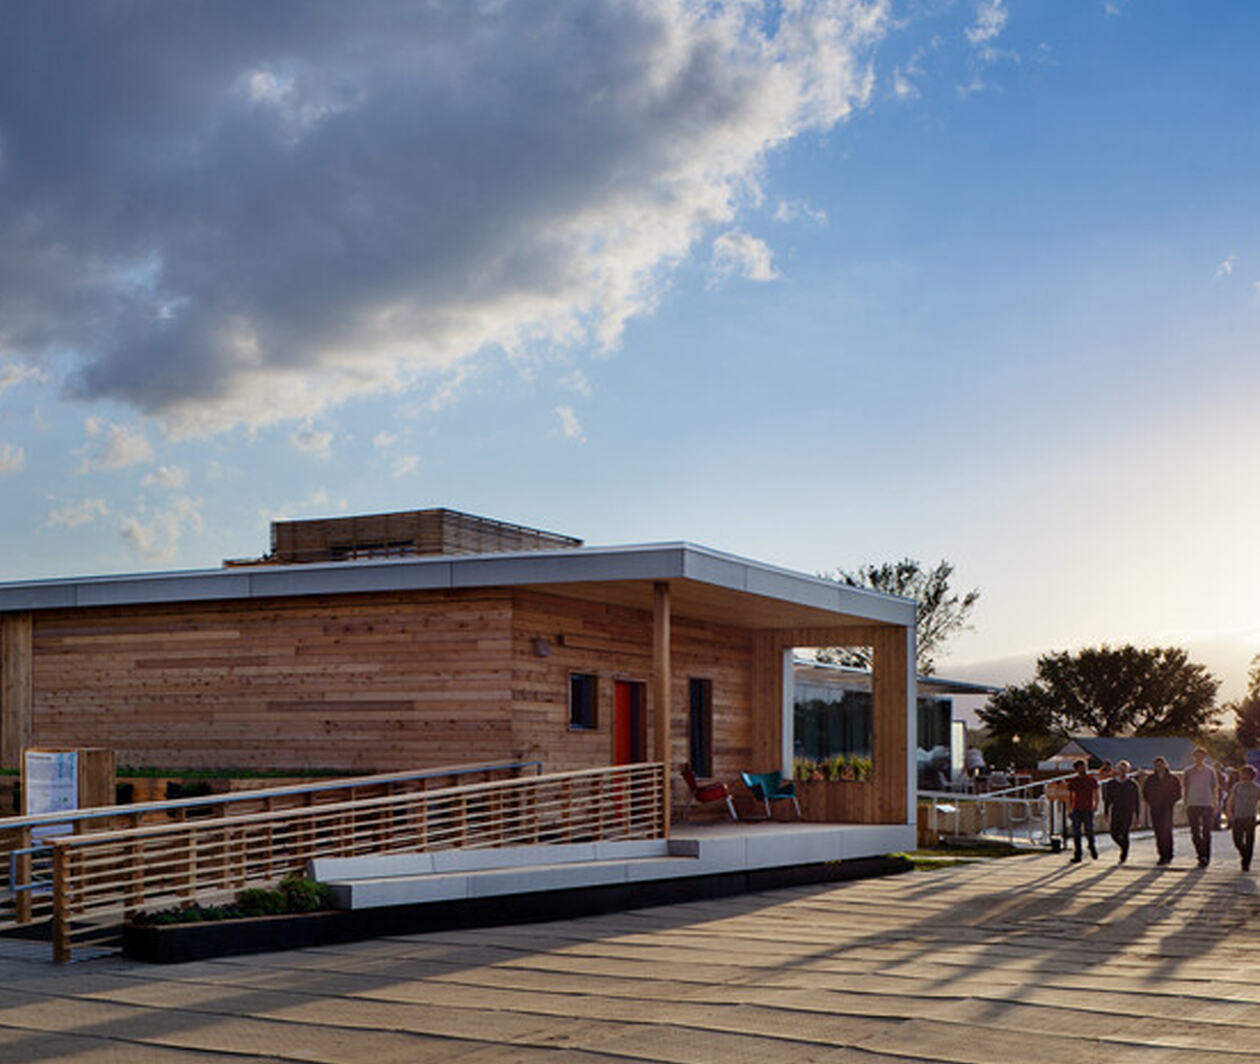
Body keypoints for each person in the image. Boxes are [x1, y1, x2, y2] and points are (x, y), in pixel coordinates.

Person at [1182, 747, 1220, 867]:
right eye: (1197, 755)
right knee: (1195, 832)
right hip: (1192, 803)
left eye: (1201, 756)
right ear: (1194, 757)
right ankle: (1200, 853)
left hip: (1207, 803)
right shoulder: (1188, 771)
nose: (1199, 758)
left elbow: (1214, 788)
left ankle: (1206, 856)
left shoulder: (1210, 771)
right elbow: (1185, 788)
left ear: (1205, 757)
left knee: (1206, 831)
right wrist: (1185, 803)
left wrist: (1216, 803)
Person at [1143, 756, 1182, 866]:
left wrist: (1170, 802)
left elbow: (1178, 793)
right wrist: (1152, 801)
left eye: (1161, 764)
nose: (1159, 767)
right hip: (1155, 809)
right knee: (1158, 832)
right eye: (1157, 765)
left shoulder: (1172, 778)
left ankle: (1169, 854)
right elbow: (1145, 792)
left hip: (1167, 808)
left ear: (1165, 765)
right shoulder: (1150, 779)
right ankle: (1161, 854)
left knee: (1167, 831)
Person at [1104, 759, 1141, 864]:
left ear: (1128, 770)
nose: (1122, 771)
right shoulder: (1112, 784)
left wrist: (1137, 816)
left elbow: (1136, 801)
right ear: (1117, 770)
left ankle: (1124, 854)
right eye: (1120, 769)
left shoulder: (1132, 784)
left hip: (1127, 811)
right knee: (1114, 833)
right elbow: (1108, 799)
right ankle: (1124, 846)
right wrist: (1106, 813)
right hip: (1116, 810)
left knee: (1125, 833)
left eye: (1125, 769)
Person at [1225, 764, 1260, 871]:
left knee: (1250, 841)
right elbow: (1231, 800)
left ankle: (1246, 863)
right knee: (1237, 840)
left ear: (1251, 775)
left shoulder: (1257, 788)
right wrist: (1229, 813)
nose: (1243, 776)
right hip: (1238, 816)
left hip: (1250, 816)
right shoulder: (1237, 786)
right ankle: (1243, 852)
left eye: (1245, 774)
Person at [1066, 759, 1099, 862]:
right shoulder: (1073, 781)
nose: (1083, 769)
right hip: (1077, 809)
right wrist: (1069, 809)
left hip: (1088, 808)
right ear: (1076, 769)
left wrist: (1096, 804)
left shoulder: (1091, 780)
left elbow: (1096, 792)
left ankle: (1092, 846)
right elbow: (1070, 796)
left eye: (1084, 767)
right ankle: (1078, 854)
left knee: (1089, 830)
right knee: (1076, 832)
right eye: (1081, 768)